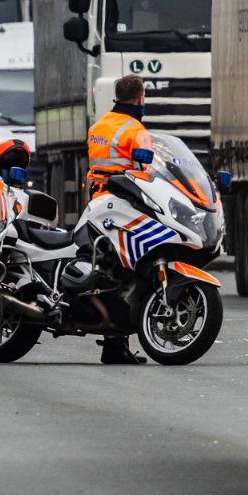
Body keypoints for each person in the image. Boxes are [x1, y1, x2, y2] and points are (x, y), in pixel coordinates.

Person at [84, 73, 153, 364]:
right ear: (140, 99)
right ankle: (115, 343)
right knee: (127, 269)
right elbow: (147, 169)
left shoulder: (98, 126)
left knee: (106, 267)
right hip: (124, 202)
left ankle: (112, 339)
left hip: (98, 200)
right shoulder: (135, 130)